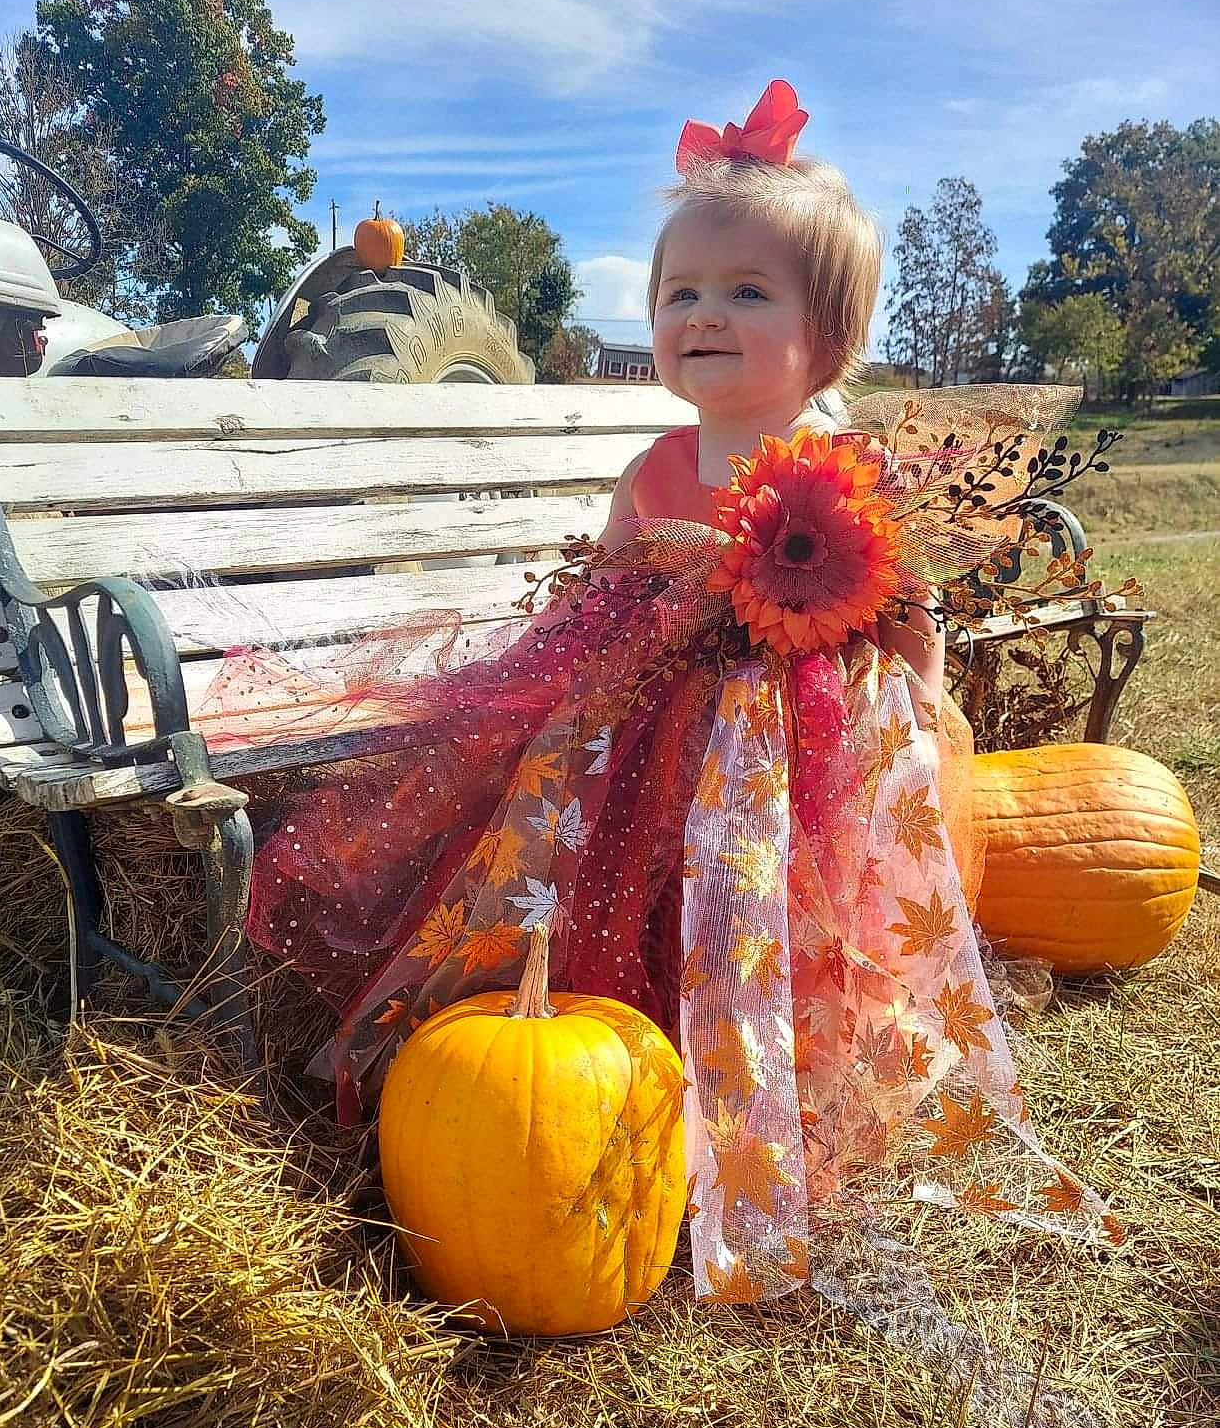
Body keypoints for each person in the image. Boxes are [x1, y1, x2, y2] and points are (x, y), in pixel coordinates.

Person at [227, 80, 1121, 1304]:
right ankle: (624, 1083)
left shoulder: (844, 465)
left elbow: (902, 601)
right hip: (644, 727)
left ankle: (757, 1096)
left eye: (746, 291)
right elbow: (599, 590)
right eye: (679, 293)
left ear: (831, 336)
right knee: (628, 892)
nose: (702, 314)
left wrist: (918, 698)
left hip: (792, 744)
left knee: (772, 919)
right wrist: (543, 683)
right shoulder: (653, 465)